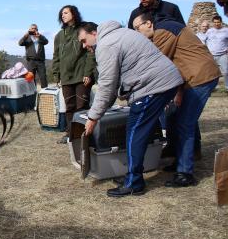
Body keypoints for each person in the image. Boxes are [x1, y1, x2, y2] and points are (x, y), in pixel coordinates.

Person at [78, 21, 183, 197]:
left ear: (94, 33)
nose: (84, 45)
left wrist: (93, 117)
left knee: (134, 132)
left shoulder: (106, 44)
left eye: (83, 40)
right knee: (139, 129)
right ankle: (132, 174)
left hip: (153, 87)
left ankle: (134, 182)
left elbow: (107, 85)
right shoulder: (120, 34)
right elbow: (114, 83)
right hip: (164, 82)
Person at [132, 12, 220, 187]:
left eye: (137, 28)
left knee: (184, 123)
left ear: (148, 23)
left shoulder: (162, 32)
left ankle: (185, 173)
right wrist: (178, 92)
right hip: (190, 78)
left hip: (200, 77)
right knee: (175, 117)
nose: (136, 32)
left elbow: (156, 63)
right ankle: (180, 160)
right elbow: (175, 62)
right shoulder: (166, 29)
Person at [52, 5, 96, 143]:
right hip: (66, 77)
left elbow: (90, 53)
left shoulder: (83, 30)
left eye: (66, 12)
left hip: (81, 75)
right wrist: (56, 74)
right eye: (61, 14)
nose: (63, 15)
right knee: (69, 107)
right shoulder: (59, 35)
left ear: (74, 14)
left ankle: (84, 134)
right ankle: (70, 134)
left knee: (81, 106)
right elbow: (56, 56)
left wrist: (88, 73)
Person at [18, 23, 49, 88]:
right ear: (29, 30)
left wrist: (40, 36)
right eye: (32, 28)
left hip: (40, 61)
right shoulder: (27, 38)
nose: (34, 30)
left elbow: (46, 42)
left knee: (43, 77)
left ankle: (45, 92)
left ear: (37, 30)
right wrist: (25, 35)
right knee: (31, 77)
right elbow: (20, 43)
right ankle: (33, 93)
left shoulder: (40, 37)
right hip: (31, 61)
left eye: (35, 29)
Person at [205, 15, 228, 91]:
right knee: (211, 73)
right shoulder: (209, 31)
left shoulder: (226, 30)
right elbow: (204, 41)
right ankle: (212, 88)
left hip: (222, 55)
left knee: (226, 71)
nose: (216, 24)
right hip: (211, 55)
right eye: (215, 22)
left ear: (221, 22)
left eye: (218, 22)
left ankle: (227, 87)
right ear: (213, 23)